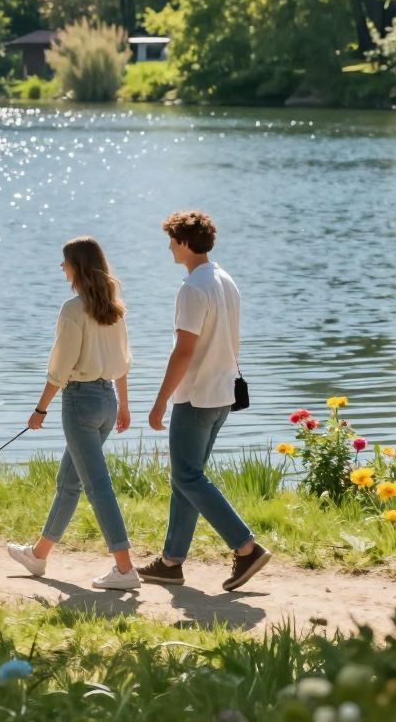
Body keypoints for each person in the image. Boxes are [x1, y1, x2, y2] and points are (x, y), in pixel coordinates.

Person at [138, 210, 272, 591]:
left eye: (171, 240)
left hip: (196, 397)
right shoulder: (225, 280)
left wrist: (160, 401)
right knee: (187, 477)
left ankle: (246, 547)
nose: (168, 247)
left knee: (187, 476)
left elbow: (184, 351)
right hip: (222, 394)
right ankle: (171, 562)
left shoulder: (193, 289)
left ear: (184, 242)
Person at [7, 236, 139, 590]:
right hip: (107, 402)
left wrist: (40, 409)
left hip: (81, 402)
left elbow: (60, 369)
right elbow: (123, 362)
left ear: (76, 268)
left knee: (97, 486)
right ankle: (38, 555)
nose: (61, 267)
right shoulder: (114, 308)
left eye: (64, 262)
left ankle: (125, 569)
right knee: (69, 482)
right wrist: (124, 405)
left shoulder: (72, 310)